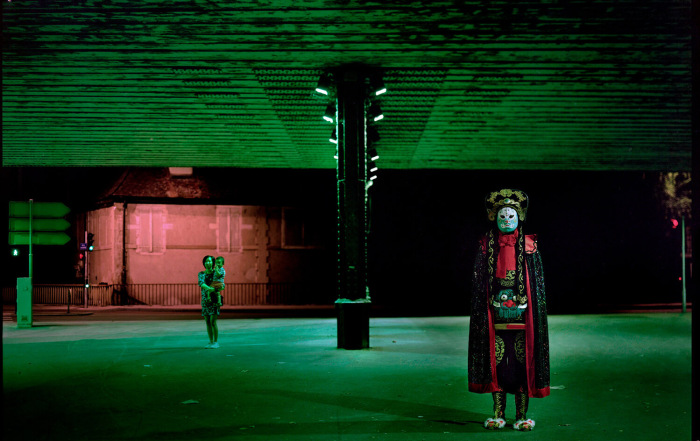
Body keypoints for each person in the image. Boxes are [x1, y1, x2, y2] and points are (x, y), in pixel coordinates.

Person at [468, 189, 550, 431]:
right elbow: (478, 284)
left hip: (523, 317)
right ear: (494, 218)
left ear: (519, 217)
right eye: (502, 216)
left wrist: (525, 303)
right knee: (498, 364)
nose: (506, 220)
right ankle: (498, 413)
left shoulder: (530, 246)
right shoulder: (486, 246)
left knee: (521, 364)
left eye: (510, 216)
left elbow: (537, 287)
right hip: (495, 315)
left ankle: (522, 415)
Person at [198, 255, 221, 349]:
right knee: (207, 321)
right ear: (204, 263)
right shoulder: (201, 274)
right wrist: (210, 288)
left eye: (210, 261)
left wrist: (214, 289)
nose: (208, 263)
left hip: (214, 299)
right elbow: (201, 283)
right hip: (205, 300)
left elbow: (220, 284)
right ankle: (211, 341)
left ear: (213, 263)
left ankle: (216, 342)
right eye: (206, 261)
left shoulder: (216, 273)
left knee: (213, 321)